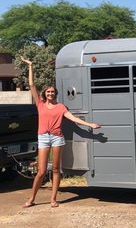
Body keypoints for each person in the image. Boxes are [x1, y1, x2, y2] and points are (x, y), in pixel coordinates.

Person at [20, 57, 101, 208]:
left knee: (56, 169)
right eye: (48, 92)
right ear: (44, 94)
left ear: (55, 94)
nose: (50, 94)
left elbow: (73, 119)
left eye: (52, 92)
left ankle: (53, 199)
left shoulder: (61, 107)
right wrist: (30, 66)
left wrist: (89, 124)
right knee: (42, 170)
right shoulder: (40, 104)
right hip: (43, 137)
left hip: (57, 138)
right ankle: (31, 199)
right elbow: (31, 84)